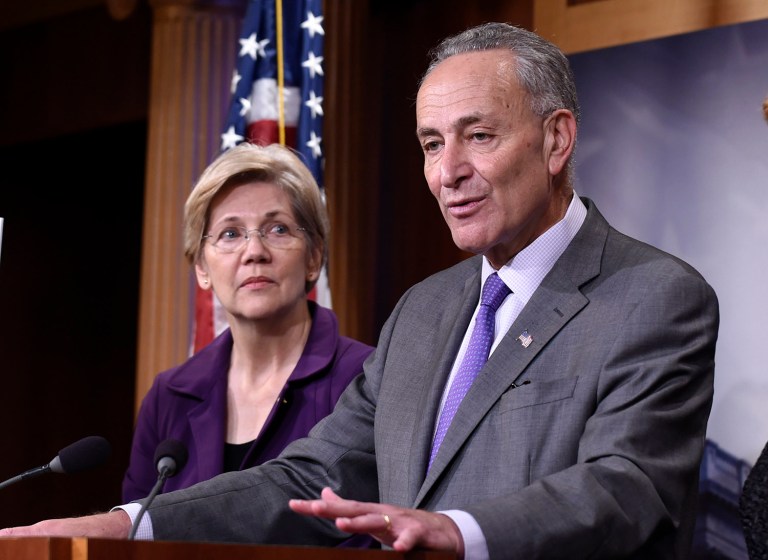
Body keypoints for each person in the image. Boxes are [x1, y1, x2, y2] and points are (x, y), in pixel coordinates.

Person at [0, 22, 719, 560]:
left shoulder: (653, 297)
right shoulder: (424, 311)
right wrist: (130, 523)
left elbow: (627, 487)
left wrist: (459, 532)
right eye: (433, 144)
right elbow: (311, 475)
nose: (449, 172)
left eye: (478, 136)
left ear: (557, 140)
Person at [122, 142, 374, 503]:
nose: (254, 252)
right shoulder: (169, 397)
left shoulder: (365, 379)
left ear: (314, 257)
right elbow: (138, 535)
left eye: (278, 230)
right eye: (230, 234)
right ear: (202, 269)